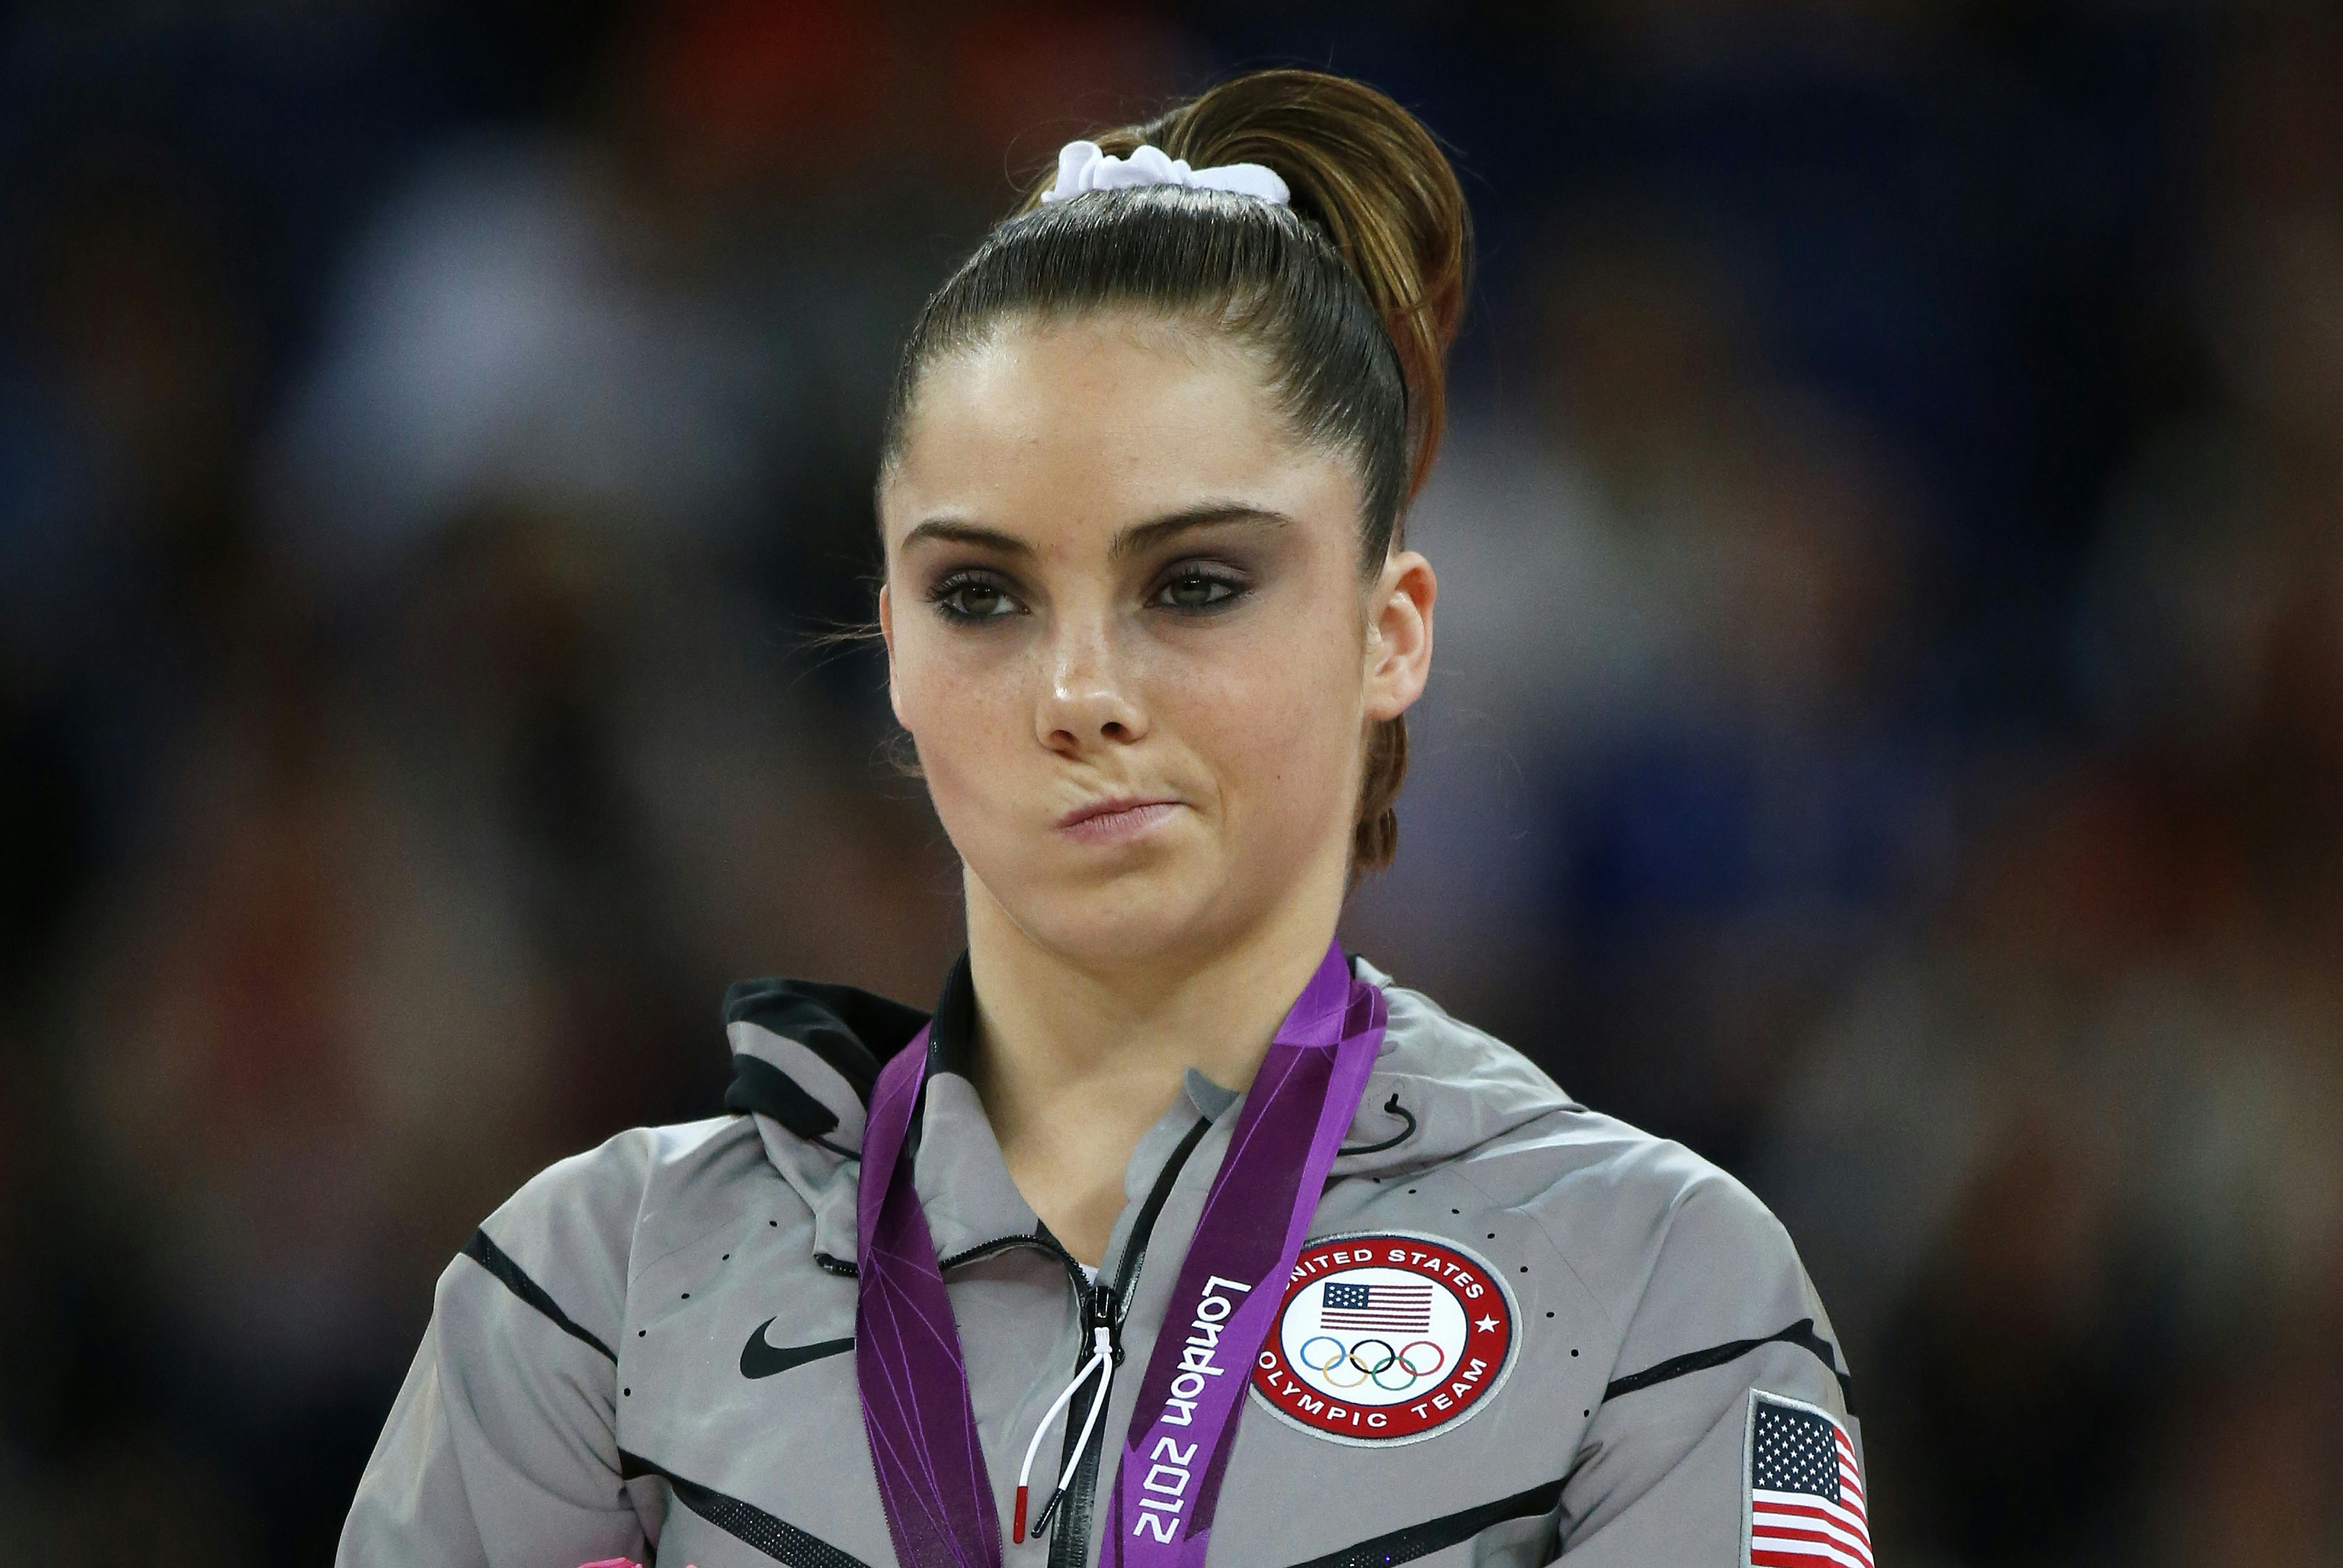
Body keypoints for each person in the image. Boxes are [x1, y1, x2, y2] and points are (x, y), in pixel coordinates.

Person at [337, 69, 1865, 1568]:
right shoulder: (590, 1298)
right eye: (981, 595)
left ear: (1388, 633)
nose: (1079, 692)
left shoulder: (1664, 1293)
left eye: (1193, 584)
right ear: (897, 655)